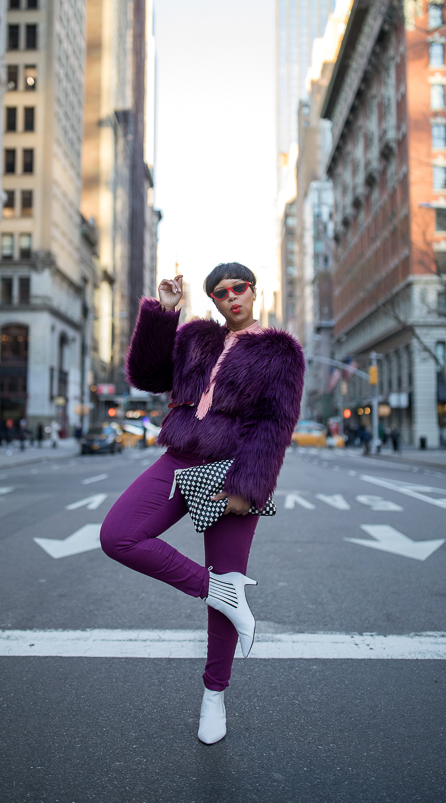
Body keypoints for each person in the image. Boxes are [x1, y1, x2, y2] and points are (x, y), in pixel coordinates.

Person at [100, 264, 304, 745]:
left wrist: (246, 488)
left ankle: (214, 696)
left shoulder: (281, 353)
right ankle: (218, 591)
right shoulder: (195, 337)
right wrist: (163, 313)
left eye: (239, 288)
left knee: (228, 574)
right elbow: (147, 376)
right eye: (220, 293)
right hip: (178, 459)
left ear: (254, 291)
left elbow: (275, 425)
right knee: (118, 536)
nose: (232, 297)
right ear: (211, 300)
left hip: (232, 470)